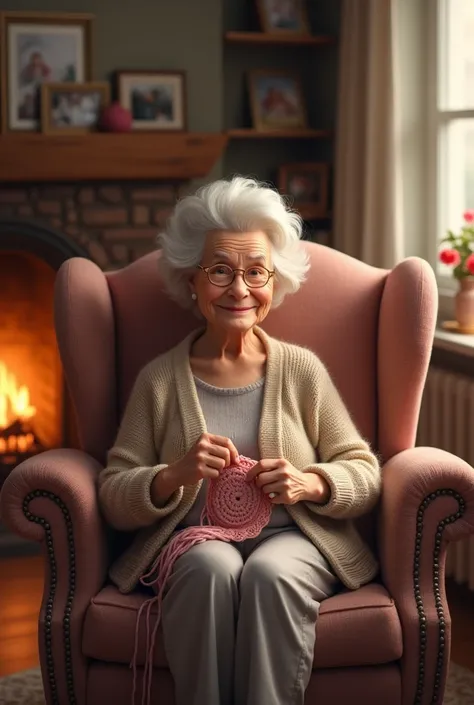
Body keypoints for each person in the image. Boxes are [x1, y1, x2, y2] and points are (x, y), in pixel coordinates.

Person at [98, 176, 382, 705]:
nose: (239, 289)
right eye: (221, 271)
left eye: (256, 272)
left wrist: (311, 482)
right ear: (190, 281)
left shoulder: (300, 370)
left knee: (272, 575)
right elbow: (114, 493)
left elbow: (363, 471)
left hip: (296, 539)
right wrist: (172, 476)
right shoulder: (160, 380)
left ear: (275, 282)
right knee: (210, 568)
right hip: (196, 541)